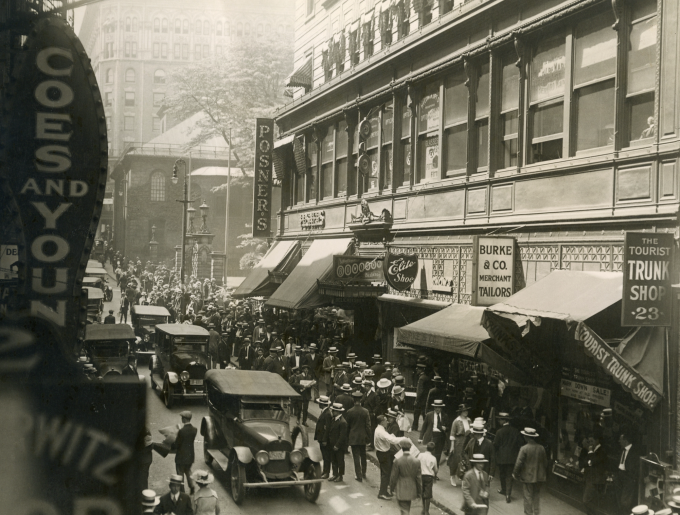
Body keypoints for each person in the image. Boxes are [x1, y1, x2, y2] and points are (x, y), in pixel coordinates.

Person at [512, 427, 547, 514]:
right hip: (539, 477)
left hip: (528, 477)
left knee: (527, 496)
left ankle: (528, 513)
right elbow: (545, 463)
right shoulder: (541, 448)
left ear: (526, 437)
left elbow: (518, 463)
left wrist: (515, 473)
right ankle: (536, 512)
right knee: (536, 495)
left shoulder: (524, 448)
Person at [375, 414, 409, 500]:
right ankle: (382, 493)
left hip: (381, 453)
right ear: (382, 422)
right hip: (384, 454)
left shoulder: (379, 429)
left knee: (384, 473)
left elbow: (389, 437)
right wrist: (403, 438)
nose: (387, 422)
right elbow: (392, 440)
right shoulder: (381, 431)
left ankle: (384, 491)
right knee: (386, 474)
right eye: (385, 420)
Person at [494, 412, 524, 503]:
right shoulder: (515, 431)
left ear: (504, 421)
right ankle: (508, 494)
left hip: (501, 458)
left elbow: (495, 445)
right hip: (512, 458)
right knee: (509, 476)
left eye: (500, 419)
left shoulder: (499, 432)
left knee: (502, 474)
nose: (499, 421)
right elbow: (521, 444)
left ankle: (503, 490)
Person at [390, 440, 423, 515]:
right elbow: (418, 478)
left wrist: (391, 488)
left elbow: (393, 477)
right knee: (406, 508)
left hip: (401, 489)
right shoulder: (417, 461)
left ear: (401, 448)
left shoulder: (398, 461)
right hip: (412, 489)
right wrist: (419, 492)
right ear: (410, 448)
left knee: (404, 510)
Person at [345, 390, 371, 482]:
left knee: (356, 456)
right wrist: (369, 437)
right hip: (363, 437)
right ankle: (364, 472)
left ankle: (358, 475)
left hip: (353, 437)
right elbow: (368, 426)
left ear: (353, 400)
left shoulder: (349, 412)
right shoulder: (365, 411)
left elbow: (347, 426)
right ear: (360, 400)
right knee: (363, 455)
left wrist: (347, 438)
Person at [582, 431, 608, 515]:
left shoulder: (601, 451)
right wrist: (590, 461)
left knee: (586, 500)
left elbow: (592, 461)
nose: (590, 444)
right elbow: (585, 462)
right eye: (589, 442)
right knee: (591, 500)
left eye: (592, 441)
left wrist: (590, 454)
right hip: (590, 478)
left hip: (595, 480)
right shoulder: (593, 451)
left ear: (597, 441)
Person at [419, 399, 448, 472]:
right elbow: (424, 426)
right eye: (436, 407)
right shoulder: (429, 415)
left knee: (438, 455)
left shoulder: (445, 415)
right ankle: (428, 470)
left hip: (441, 436)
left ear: (441, 408)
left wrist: (445, 428)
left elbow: (448, 427)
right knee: (430, 453)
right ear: (434, 407)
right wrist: (420, 437)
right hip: (432, 436)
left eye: (439, 407)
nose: (437, 409)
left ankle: (435, 472)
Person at [615, 431, 640, 515]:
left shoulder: (635, 451)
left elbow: (636, 466)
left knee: (625, 501)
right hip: (620, 475)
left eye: (620, 439)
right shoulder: (621, 450)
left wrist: (632, 478)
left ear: (625, 440)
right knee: (619, 498)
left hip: (628, 477)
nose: (619, 441)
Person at [447, 404, 472, 486]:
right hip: (458, 442)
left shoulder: (469, 420)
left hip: (467, 441)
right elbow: (452, 434)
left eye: (467, 410)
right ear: (461, 412)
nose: (466, 412)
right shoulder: (456, 421)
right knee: (456, 460)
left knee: (465, 460)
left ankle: (462, 477)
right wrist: (452, 446)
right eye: (464, 411)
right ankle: (452, 476)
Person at [174, 411, 197, 493]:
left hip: (181, 456)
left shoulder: (181, 431)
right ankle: (192, 486)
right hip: (190, 455)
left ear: (184, 419)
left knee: (180, 473)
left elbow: (177, 444)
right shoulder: (194, 430)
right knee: (188, 471)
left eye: (182, 418)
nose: (181, 419)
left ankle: (182, 490)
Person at [328, 402, 348, 482]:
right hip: (333, 444)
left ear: (338, 412)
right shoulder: (334, 419)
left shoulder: (343, 422)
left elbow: (342, 436)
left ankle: (340, 475)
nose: (332, 412)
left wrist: (337, 445)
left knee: (340, 460)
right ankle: (335, 474)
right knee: (334, 460)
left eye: (333, 411)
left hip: (339, 446)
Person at [315, 395, 333, 479]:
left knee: (326, 456)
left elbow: (328, 428)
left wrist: (325, 439)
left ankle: (327, 472)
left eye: (319, 403)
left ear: (322, 404)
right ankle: (325, 471)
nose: (318, 404)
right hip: (321, 438)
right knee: (324, 455)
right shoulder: (324, 412)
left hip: (324, 439)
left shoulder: (327, 414)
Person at [418, 442, 438, 515]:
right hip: (429, 477)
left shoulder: (420, 455)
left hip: (421, 476)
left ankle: (423, 509)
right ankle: (427, 511)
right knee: (428, 495)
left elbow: (417, 463)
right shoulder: (433, 458)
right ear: (433, 450)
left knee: (423, 493)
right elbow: (436, 470)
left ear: (426, 448)